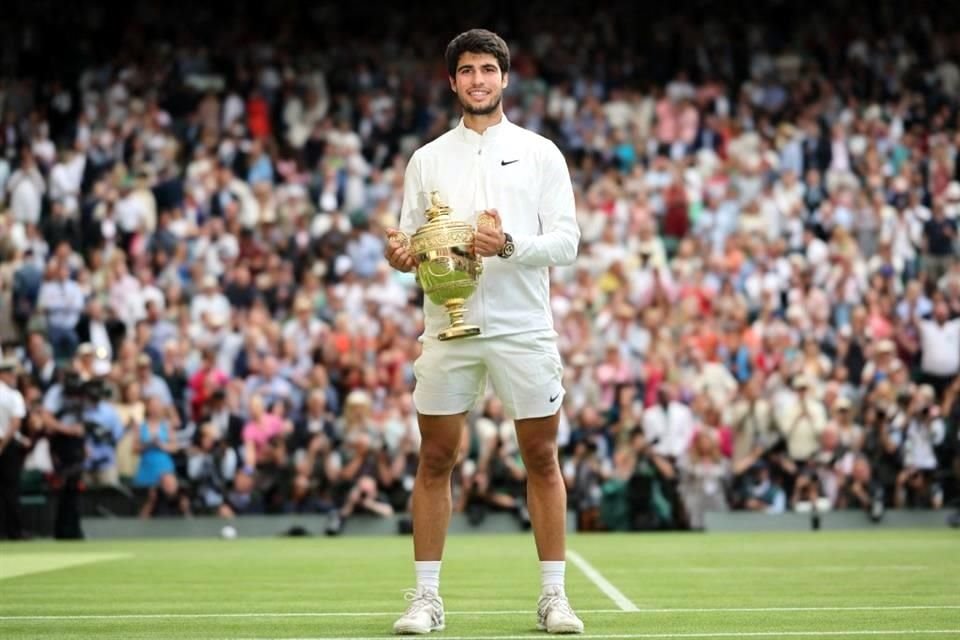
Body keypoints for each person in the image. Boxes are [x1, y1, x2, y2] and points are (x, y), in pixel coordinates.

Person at [385, 29, 583, 635]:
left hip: (523, 326)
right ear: (453, 82)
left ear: (504, 79)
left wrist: (510, 245)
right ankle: (425, 599)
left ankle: (554, 598)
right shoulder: (427, 159)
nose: (478, 80)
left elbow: (568, 243)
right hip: (447, 327)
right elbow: (411, 241)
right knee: (436, 458)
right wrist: (401, 255)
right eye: (467, 70)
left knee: (541, 457)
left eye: (488, 70)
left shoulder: (541, 152)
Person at [0, 358, 28, 539]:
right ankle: (14, 532)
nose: (13, 377)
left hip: (6, 444)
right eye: (10, 374)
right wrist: (3, 444)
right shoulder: (13, 395)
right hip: (8, 446)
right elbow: (15, 422)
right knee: (10, 489)